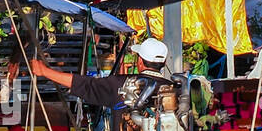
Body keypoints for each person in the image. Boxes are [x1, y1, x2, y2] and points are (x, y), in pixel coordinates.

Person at [29, 37, 172, 110]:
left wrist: (45, 71)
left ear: (140, 61)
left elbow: (84, 84)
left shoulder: (119, 84)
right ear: (164, 63)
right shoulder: (173, 89)